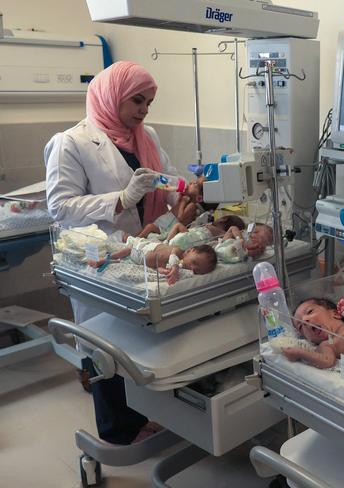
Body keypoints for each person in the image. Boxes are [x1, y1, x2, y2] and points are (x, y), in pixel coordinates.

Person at [44, 61, 179, 444]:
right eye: (137, 100)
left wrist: (188, 191)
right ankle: (117, 431)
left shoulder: (145, 136)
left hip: (140, 251)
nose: (143, 110)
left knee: (137, 341)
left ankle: (143, 415)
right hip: (98, 259)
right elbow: (61, 207)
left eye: (149, 102)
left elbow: (164, 181)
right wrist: (119, 200)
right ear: (113, 94)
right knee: (102, 343)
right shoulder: (70, 142)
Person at [88, 239, 217, 284]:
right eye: (194, 262)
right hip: (142, 250)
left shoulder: (181, 266)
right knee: (127, 250)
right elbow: (173, 258)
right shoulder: (178, 251)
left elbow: (159, 268)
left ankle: (112, 262)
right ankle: (106, 259)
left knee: (124, 260)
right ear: (190, 250)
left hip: (142, 262)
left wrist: (164, 272)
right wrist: (175, 268)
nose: (193, 268)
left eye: (198, 270)